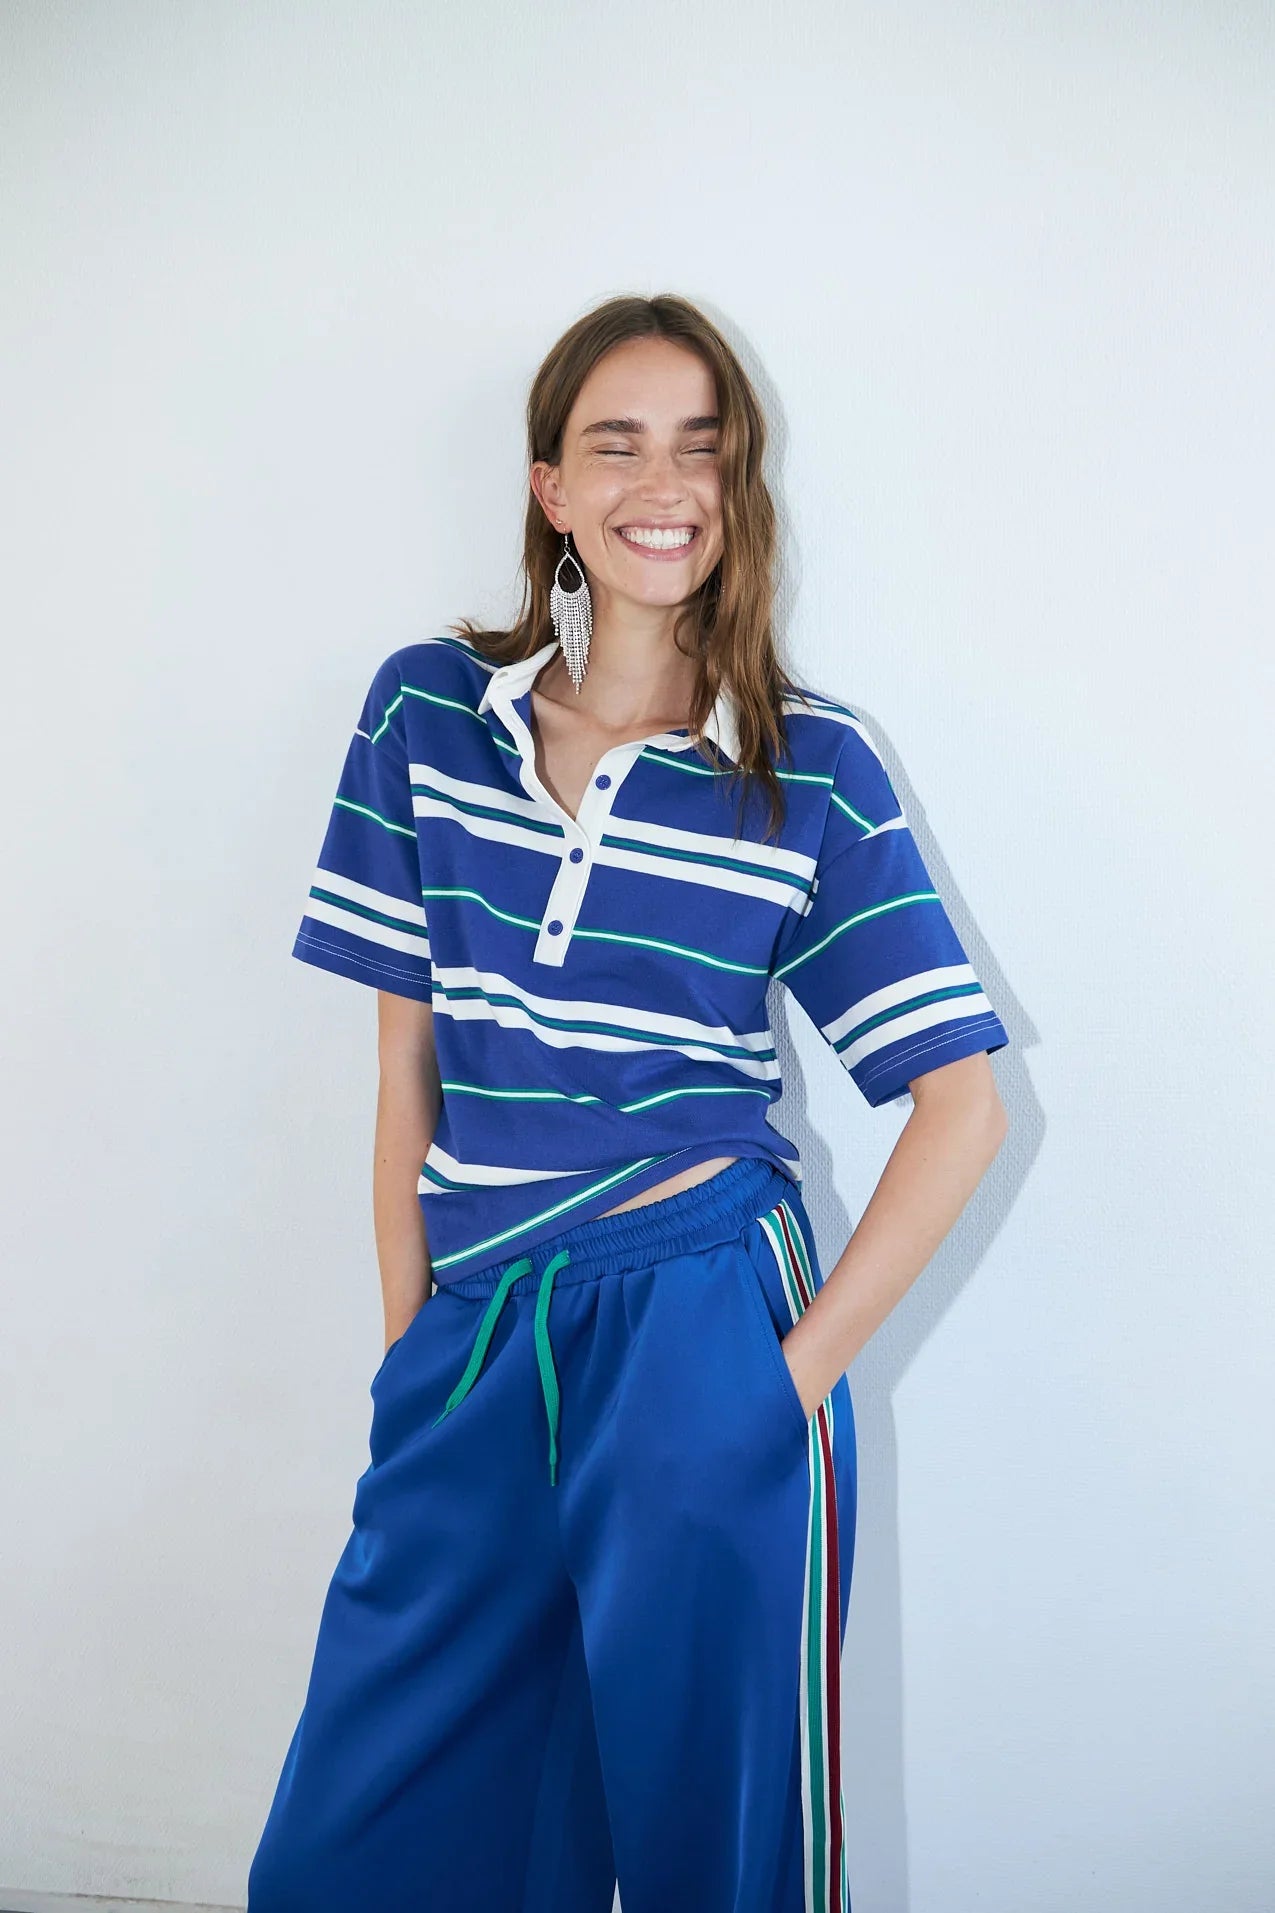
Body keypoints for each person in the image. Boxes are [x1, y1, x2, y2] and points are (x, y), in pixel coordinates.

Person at [246, 293, 1010, 1913]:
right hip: (479, 1334)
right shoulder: (426, 715)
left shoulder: (807, 767)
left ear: (739, 487)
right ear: (551, 489)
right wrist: (410, 1349)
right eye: (618, 444)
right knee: (352, 1853)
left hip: (702, 1319)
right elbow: (406, 1066)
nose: (663, 485)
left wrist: (779, 1389)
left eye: (701, 449)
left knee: (712, 1855)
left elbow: (962, 1103)